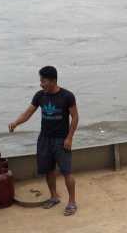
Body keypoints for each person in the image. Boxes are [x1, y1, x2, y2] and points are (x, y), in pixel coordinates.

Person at [9, 66, 80, 216]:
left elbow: (75, 117)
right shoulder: (40, 96)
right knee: (48, 170)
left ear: (53, 81)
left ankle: (72, 201)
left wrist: (69, 137)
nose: (41, 84)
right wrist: (16, 123)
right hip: (45, 139)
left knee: (67, 172)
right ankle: (54, 196)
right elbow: (28, 113)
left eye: (44, 81)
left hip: (62, 140)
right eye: (40, 81)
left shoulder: (67, 96)